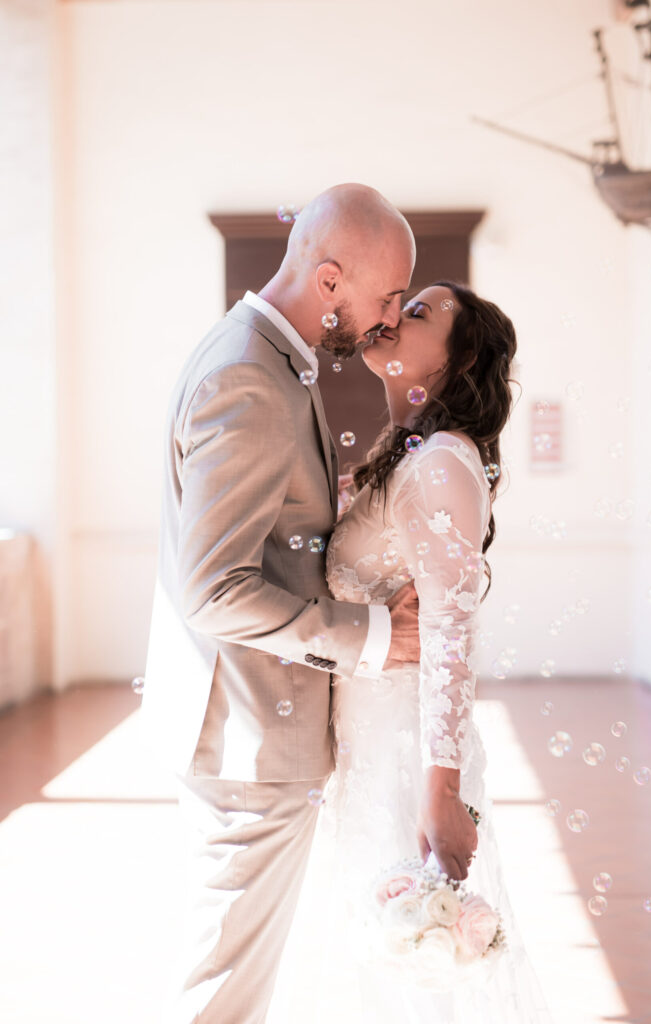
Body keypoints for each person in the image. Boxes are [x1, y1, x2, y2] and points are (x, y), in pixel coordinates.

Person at [141, 184, 453, 1024]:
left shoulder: (265, 354)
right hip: (248, 736)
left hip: (247, 729)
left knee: (228, 976)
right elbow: (214, 587)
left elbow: (267, 530)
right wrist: (377, 635)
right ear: (329, 280)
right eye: (386, 296)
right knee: (221, 992)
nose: (388, 319)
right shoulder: (250, 374)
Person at [267, 281, 553, 1022]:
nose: (392, 317)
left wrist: (441, 794)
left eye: (418, 312)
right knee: (374, 967)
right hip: (369, 748)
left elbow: (451, 637)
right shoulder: (405, 458)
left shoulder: (442, 462)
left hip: (409, 762)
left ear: (461, 362)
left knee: (407, 966)